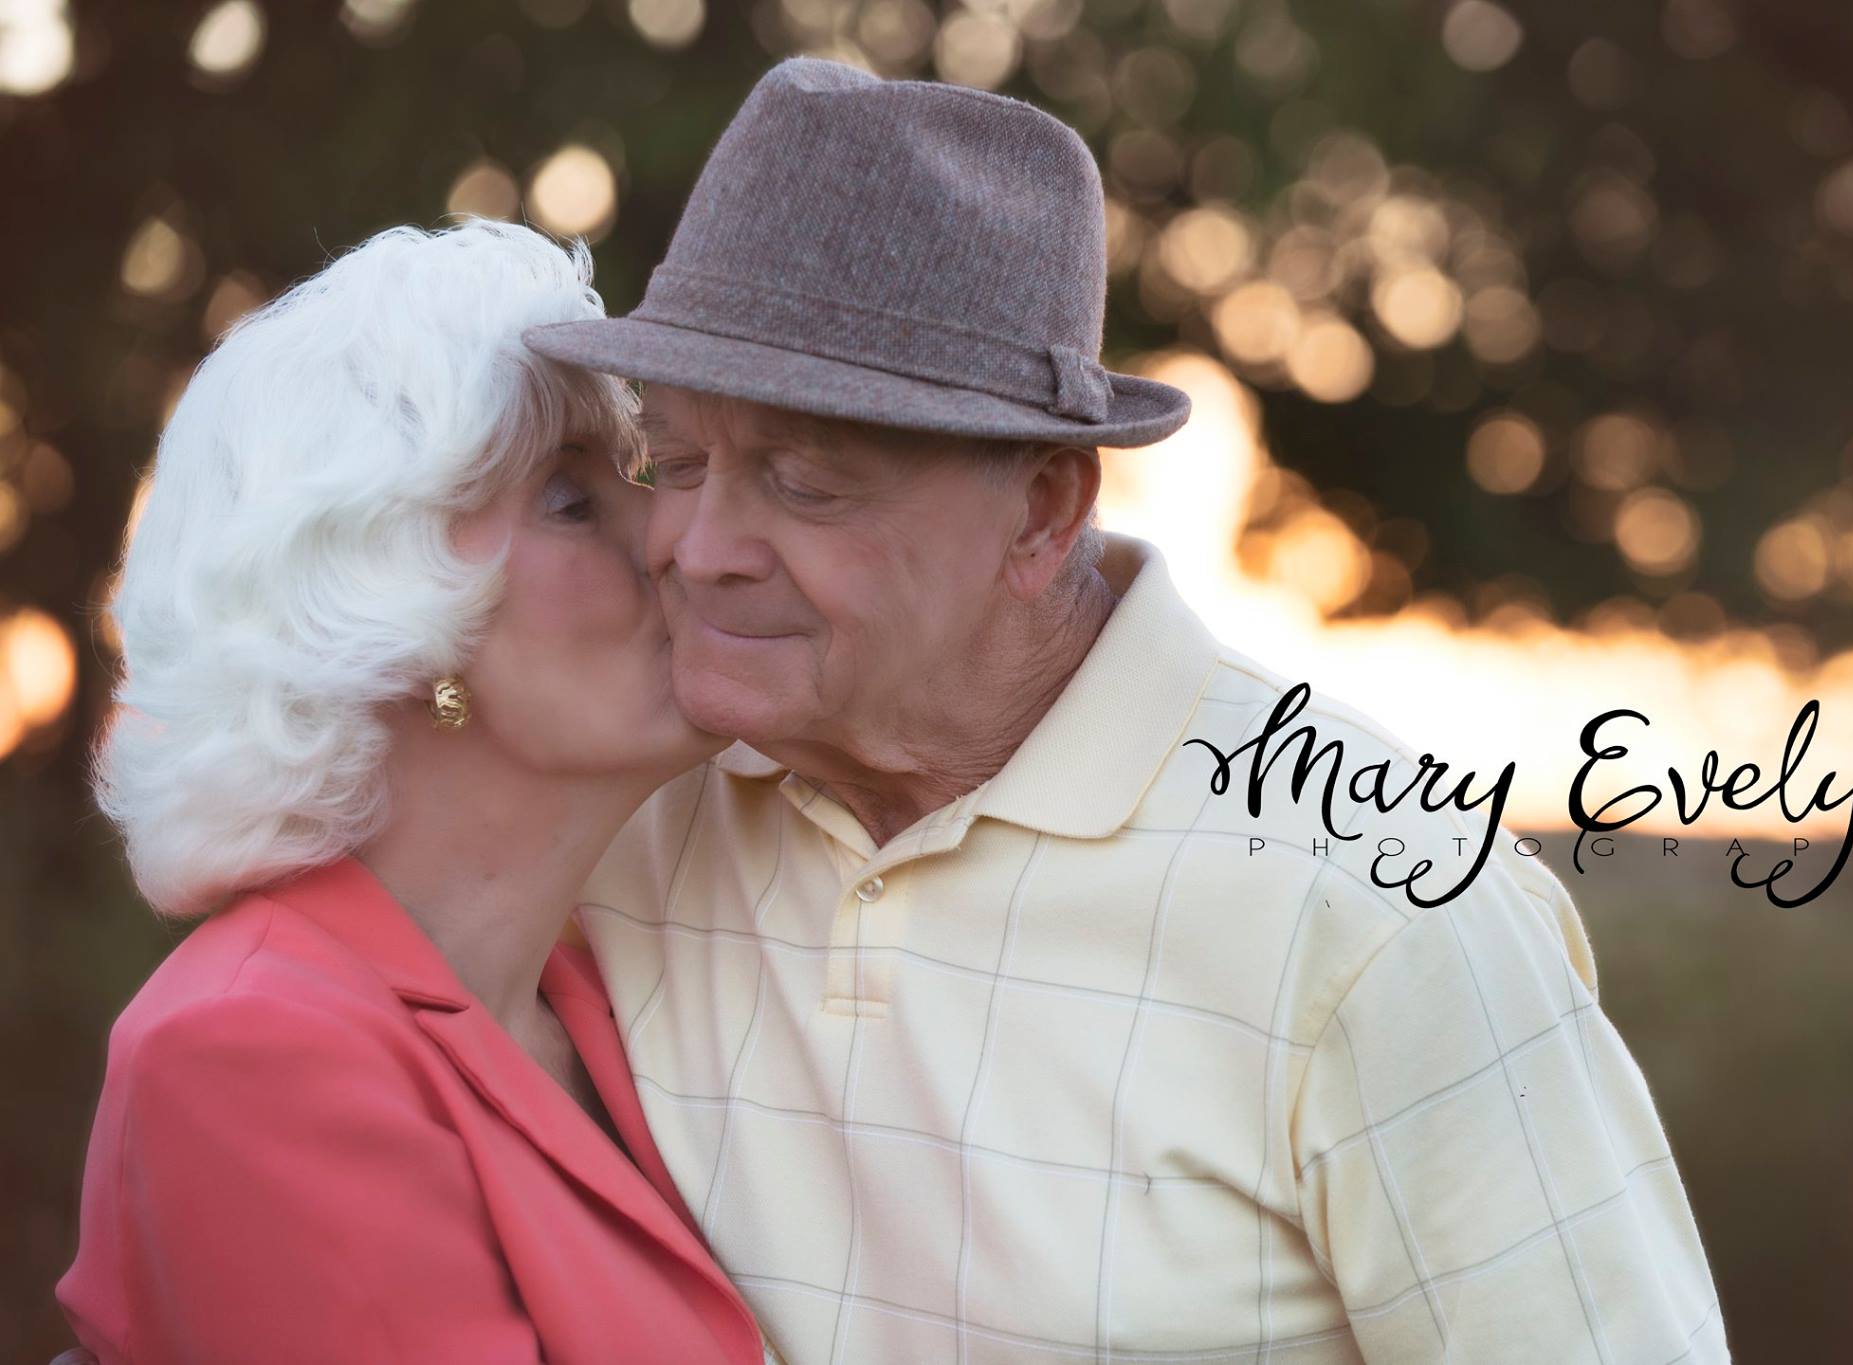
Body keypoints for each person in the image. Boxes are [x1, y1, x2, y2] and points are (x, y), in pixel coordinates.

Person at [526, 56, 1732, 1363]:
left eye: (804, 484)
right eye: (678, 463)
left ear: (1042, 512)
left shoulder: (1383, 909)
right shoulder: (617, 812)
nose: (700, 549)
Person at [57, 219, 764, 1365]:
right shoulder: (251, 1053)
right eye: (572, 500)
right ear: (393, 619)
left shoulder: (614, 983)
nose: (676, 538)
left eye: (638, 472)